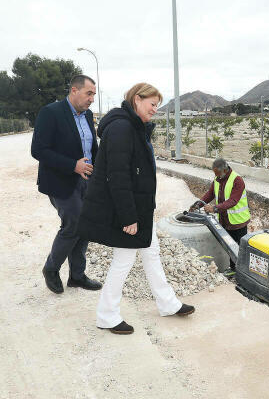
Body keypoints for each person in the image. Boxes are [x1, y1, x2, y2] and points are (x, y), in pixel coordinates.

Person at [77, 82, 194, 335]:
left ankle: (167, 303)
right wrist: (129, 216)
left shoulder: (133, 126)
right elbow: (118, 176)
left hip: (139, 207)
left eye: (157, 106)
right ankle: (107, 315)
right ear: (137, 99)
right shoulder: (121, 128)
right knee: (124, 259)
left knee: (151, 253)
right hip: (127, 211)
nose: (155, 110)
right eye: (152, 104)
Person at [31, 74, 103, 294]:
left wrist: (99, 175)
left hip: (87, 181)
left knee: (86, 225)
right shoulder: (50, 112)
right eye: (88, 93)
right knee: (74, 223)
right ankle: (51, 268)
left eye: (94, 95)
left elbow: (92, 150)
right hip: (61, 181)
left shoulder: (88, 114)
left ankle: (77, 276)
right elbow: (38, 150)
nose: (92, 99)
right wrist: (73, 165)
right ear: (74, 90)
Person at [190, 158, 251, 275]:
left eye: (217, 173)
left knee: (239, 247)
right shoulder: (218, 179)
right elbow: (210, 194)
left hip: (238, 221)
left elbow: (233, 200)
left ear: (225, 169)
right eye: (214, 173)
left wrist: (214, 208)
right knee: (229, 245)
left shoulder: (237, 180)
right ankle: (233, 269)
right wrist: (198, 203)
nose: (216, 176)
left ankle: (243, 272)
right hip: (225, 220)